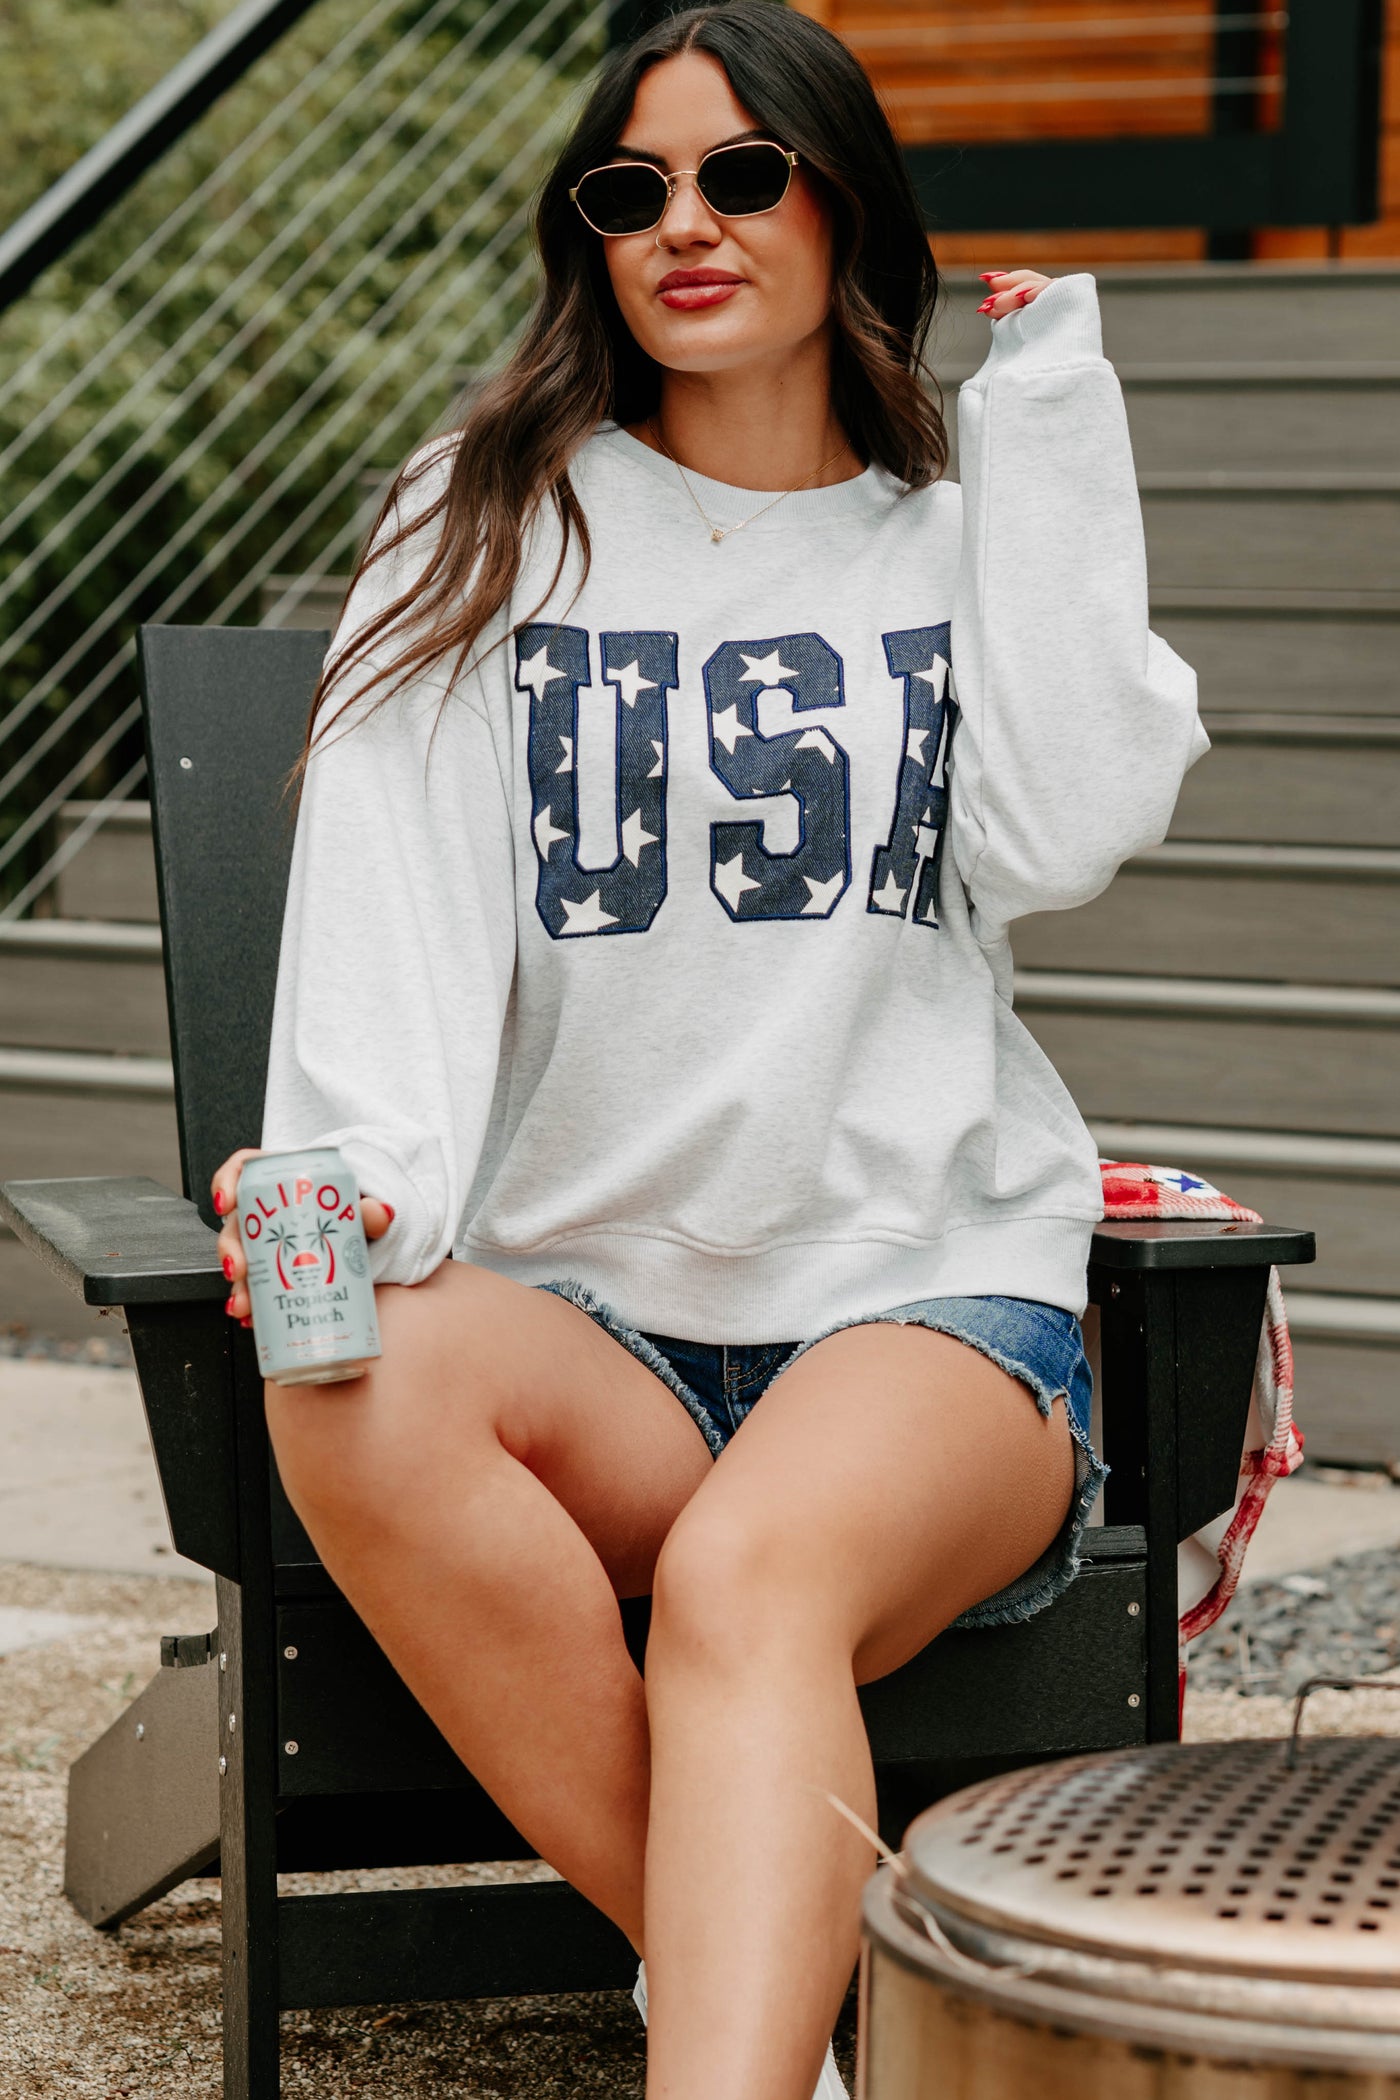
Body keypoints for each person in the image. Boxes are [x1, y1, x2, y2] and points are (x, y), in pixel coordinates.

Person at [212, 5, 1208, 2095]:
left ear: (844, 207)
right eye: (630, 187)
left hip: (927, 1306)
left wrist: (1046, 425)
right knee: (348, 1376)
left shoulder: (951, 540)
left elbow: (1066, 828)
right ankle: (758, 1993)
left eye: (743, 173)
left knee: (751, 1574)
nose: (685, 222)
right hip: (605, 1339)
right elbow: (388, 882)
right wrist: (352, 1184)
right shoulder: (490, 517)